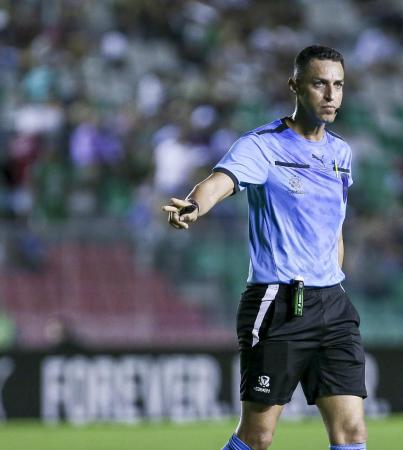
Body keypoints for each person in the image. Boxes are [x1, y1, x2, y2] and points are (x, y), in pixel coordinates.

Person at [162, 45, 367, 450]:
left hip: (333, 305)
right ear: (294, 86)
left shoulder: (341, 153)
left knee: (352, 433)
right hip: (279, 303)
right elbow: (220, 181)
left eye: (338, 85)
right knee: (257, 436)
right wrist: (195, 205)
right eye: (319, 84)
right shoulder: (263, 145)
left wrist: (332, 282)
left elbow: (334, 227)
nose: (330, 95)